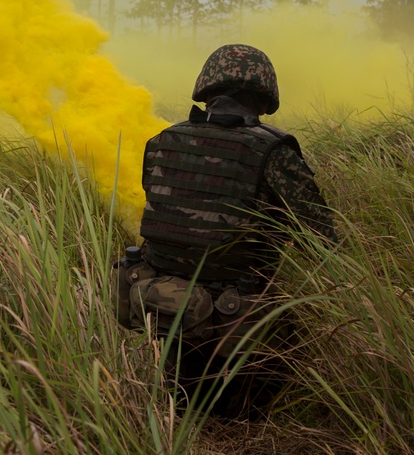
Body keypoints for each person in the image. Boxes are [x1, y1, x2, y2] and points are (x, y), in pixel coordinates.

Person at [115, 43, 336, 415]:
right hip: (237, 312)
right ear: (263, 97)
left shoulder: (161, 141)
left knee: (186, 394)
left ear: (207, 89)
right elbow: (323, 240)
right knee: (290, 348)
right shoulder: (273, 151)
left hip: (166, 306)